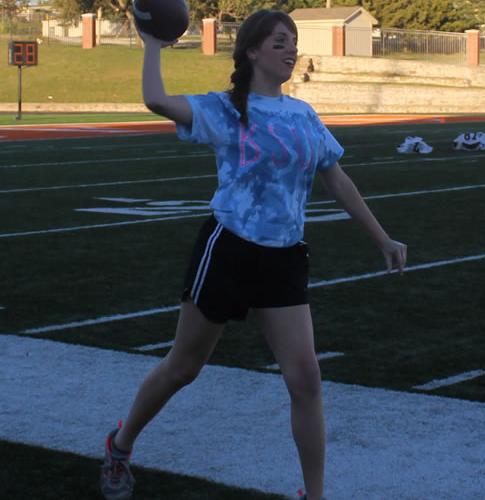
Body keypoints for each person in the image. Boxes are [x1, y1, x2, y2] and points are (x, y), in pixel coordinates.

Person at [99, 9, 407, 500]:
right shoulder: (226, 109)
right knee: (184, 367)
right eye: (280, 41)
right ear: (252, 51)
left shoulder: (303, 114)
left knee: (306, 379)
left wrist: (383, 238)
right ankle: (120, 444)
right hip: (229, 249)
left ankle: (315, 494)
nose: (291, 49)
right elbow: (155, 99)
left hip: (284, 258)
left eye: (294, 41)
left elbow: (337, 178)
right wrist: (153, 44)